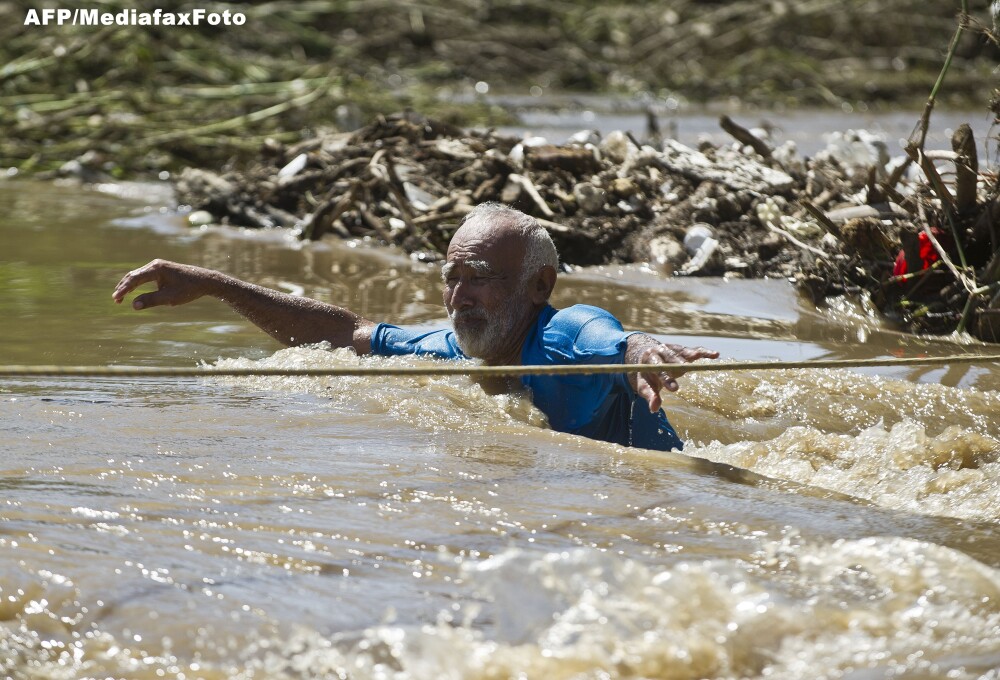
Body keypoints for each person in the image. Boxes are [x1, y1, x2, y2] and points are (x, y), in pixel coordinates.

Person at [113, 203, 718, 451]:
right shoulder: (449, 347)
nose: (459, 294)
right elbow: (342, 334)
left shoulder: (566, 333)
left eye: (479, 275)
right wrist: (216, 284)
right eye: (451, 276)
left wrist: (643, 351)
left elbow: (613, 336)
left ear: (540, 286)